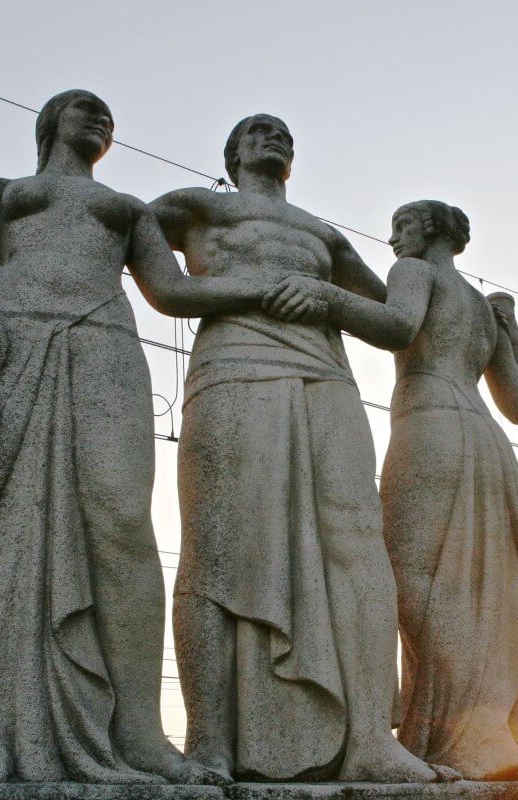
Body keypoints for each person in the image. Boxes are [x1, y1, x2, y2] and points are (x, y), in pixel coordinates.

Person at [0, 90, 271, 786]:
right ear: (49, 125)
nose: (99, 117)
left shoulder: (128, 209)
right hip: (9, 344)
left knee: (123, 525)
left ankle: (141, 736)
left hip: (105, 348)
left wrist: (254, 289)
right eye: (82, 107)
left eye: (106, 113)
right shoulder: (2, 192)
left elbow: (171, 291)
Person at [152, 115, 445, 783]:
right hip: (233, 368)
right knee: (218, 544)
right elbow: (132, 251)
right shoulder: (200, 207)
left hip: (325, 377)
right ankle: (211, 742)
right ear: (231, 155)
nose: (272, 136)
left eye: (282, 131)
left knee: (355, 537)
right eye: (256, 131)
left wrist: (327, 294)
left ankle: (372, 736)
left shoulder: (320, 233)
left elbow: (394, 322)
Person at [264, 200, 518, 780]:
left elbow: (396, 327)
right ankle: (495, 739)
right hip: (488, 442)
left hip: (432, 427)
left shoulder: (413, 273)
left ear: (430, 230)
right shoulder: (482, 308)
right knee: (484, 591)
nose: (392, 242)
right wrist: (511, 336)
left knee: (412, 585)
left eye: (401, 228)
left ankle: (458, 741)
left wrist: (329, 299)